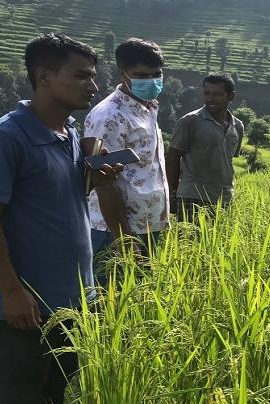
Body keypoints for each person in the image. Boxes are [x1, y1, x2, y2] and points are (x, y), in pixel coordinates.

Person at [0, 33, 123, 404]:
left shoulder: (70, 134)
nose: (92, 85)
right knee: (21, 393)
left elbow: (62, 198)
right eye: (81, 75)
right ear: (44, 77)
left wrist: (96, 177)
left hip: (76, 295)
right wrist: (11, 290)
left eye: (92, 76)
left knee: (55, 388)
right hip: (29, 301)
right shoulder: (5, 137)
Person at [85, 38, 170, 281]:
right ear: (123, 74)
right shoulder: (109, 116)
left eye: (156, 74)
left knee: (141, 296)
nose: (151, 81)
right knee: (111, 296)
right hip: (116, 230)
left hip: (149, 223)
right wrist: (124, 239)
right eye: (141, 75)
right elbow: (104, 181)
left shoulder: (149, 107)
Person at [166, 73, 246, 218]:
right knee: (191, 233)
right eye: (207, 93)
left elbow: (227, 160)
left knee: (221, 234)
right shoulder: (190, 121)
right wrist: (172, 194)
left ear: (231, 96)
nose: (210, 99)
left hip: (225, 198)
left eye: (217, 94)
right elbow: (172, 157)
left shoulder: (238, 126)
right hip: (192, 196)